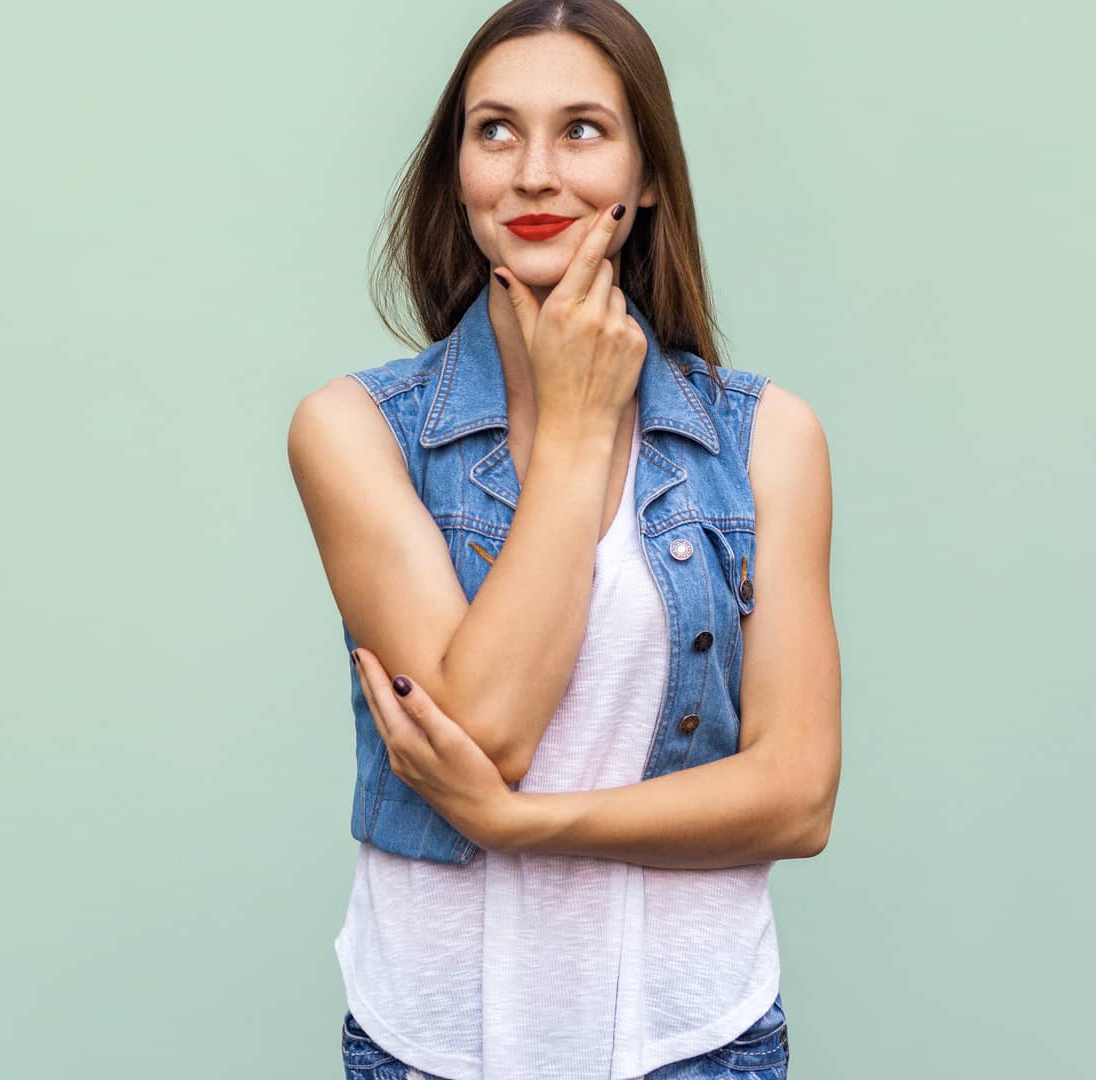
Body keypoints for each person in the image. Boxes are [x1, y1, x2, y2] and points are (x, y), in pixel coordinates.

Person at [286, 2, 840, 1076]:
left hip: (696, 1041)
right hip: (431, 1045)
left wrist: (531, 826)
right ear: (460, 174)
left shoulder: (770, 439)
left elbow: (799, 793)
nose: (535, 172)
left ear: (647, 179)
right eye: (495, 130)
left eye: (582, 129)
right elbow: (487, 732)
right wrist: (582, 429)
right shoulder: (356, 432)